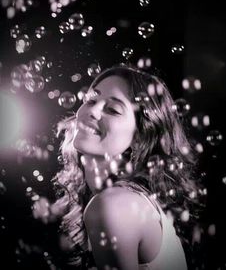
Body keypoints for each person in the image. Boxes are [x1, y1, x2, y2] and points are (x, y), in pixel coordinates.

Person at [48, 63, 201, 270]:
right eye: (91, 99)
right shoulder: (127, 200)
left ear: (140, 138)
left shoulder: (114, 204)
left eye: (112, 109)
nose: (92, 110)